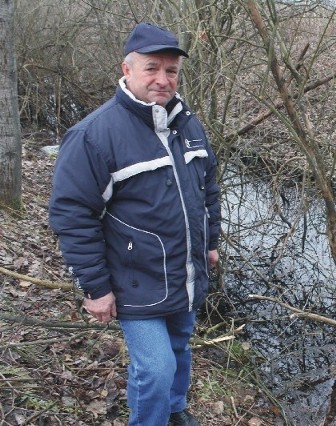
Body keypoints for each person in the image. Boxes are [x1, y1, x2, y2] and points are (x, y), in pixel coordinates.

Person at [49, 22, 221, 426]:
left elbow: (207, 187)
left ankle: (175, 411)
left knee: (179, 347)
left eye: (171, 70)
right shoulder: (95, 134)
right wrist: (96, 288)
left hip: (185, 270)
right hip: (134, 279)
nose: (163, 79)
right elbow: (73, 215)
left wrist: (210, 241)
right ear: (127, 70)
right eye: (151, 68)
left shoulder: (188, 124)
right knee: (156, 367)